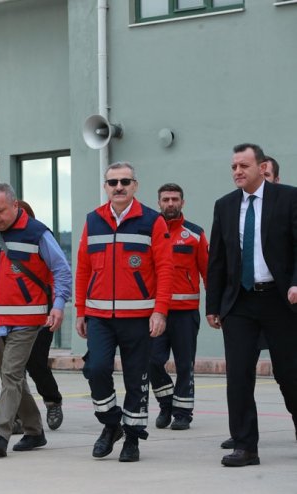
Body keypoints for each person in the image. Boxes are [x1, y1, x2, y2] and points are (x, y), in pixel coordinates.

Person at [0, 183, 72, 457]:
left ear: (15, 205)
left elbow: (61, 270)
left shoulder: (37, 233)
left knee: (10, 374)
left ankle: (0, 433)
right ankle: (34, 431)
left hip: (28, 319)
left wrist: (58, 305)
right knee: (13, 378)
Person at [75, 162, 173, 463]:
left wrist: (160, 311)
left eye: (125, 182)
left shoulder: (153, 222)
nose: (119, 187)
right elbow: (82, 267)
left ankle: (132, 439)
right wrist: (80, 309)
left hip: (139, 317)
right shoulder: (93, 221)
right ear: (106, 186)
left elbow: (165, 269)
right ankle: (110, 423)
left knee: (136, 379)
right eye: (113, 182)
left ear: (135, 185)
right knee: (96, 369)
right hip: (100, 317)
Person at [206, 143, 297, 467]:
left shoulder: (288, 198)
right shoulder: (225, 206)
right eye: (234, 167)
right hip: (240, 303)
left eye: (244, 165)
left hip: (280, 301)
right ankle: (245, 447)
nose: (237, 172)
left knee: (290, 374)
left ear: (261, 167)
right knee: (239, 377)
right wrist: (213, 305)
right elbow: (216, 259)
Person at [149, 184, 208, 431]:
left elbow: (208, 272)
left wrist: (214, 308)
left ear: (182, 203)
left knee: (185, 365)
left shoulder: (195, 234)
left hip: (185, 312)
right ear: (159, 203)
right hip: (156, 313)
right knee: (152, 361)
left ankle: (183, 413)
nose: (170, 203)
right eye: (165, 199)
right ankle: (166, 403)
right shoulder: (149, 233)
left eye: (174, 199)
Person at [17, 199, 64, 431]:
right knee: (12, 368)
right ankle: (17, 414)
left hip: (41, 312)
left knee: (35, 362)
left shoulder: (41, 238)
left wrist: (57, 305)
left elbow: (58, 272)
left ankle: (52, 400)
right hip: (8, 314)